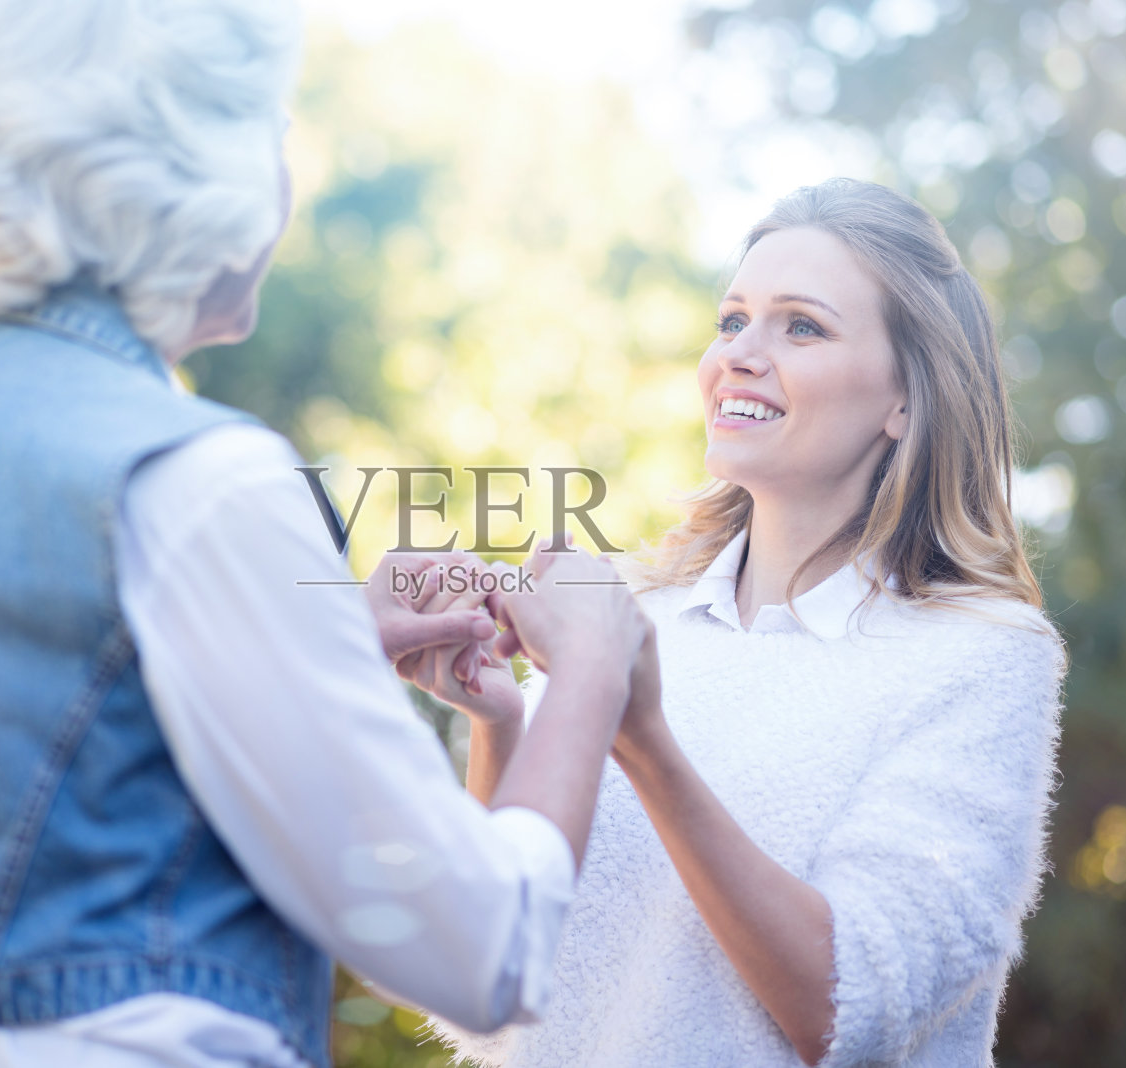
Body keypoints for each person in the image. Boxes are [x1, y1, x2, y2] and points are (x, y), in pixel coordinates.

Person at [0, 2, 653, 1067]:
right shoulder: (193, 477)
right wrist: (587, 670)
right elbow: (480, 950)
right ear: (197, 172)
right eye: (269, 131)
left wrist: (328, 642)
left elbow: (23, 780)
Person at [397, 178, 1067, 1067]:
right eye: (731, 321)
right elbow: (490, 996)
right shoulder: (635, 616)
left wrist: (641, 737)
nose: (739, 356)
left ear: (906, 396)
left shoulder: (979, 658)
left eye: (802, 326)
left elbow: (847, 1011)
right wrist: (499, 722)